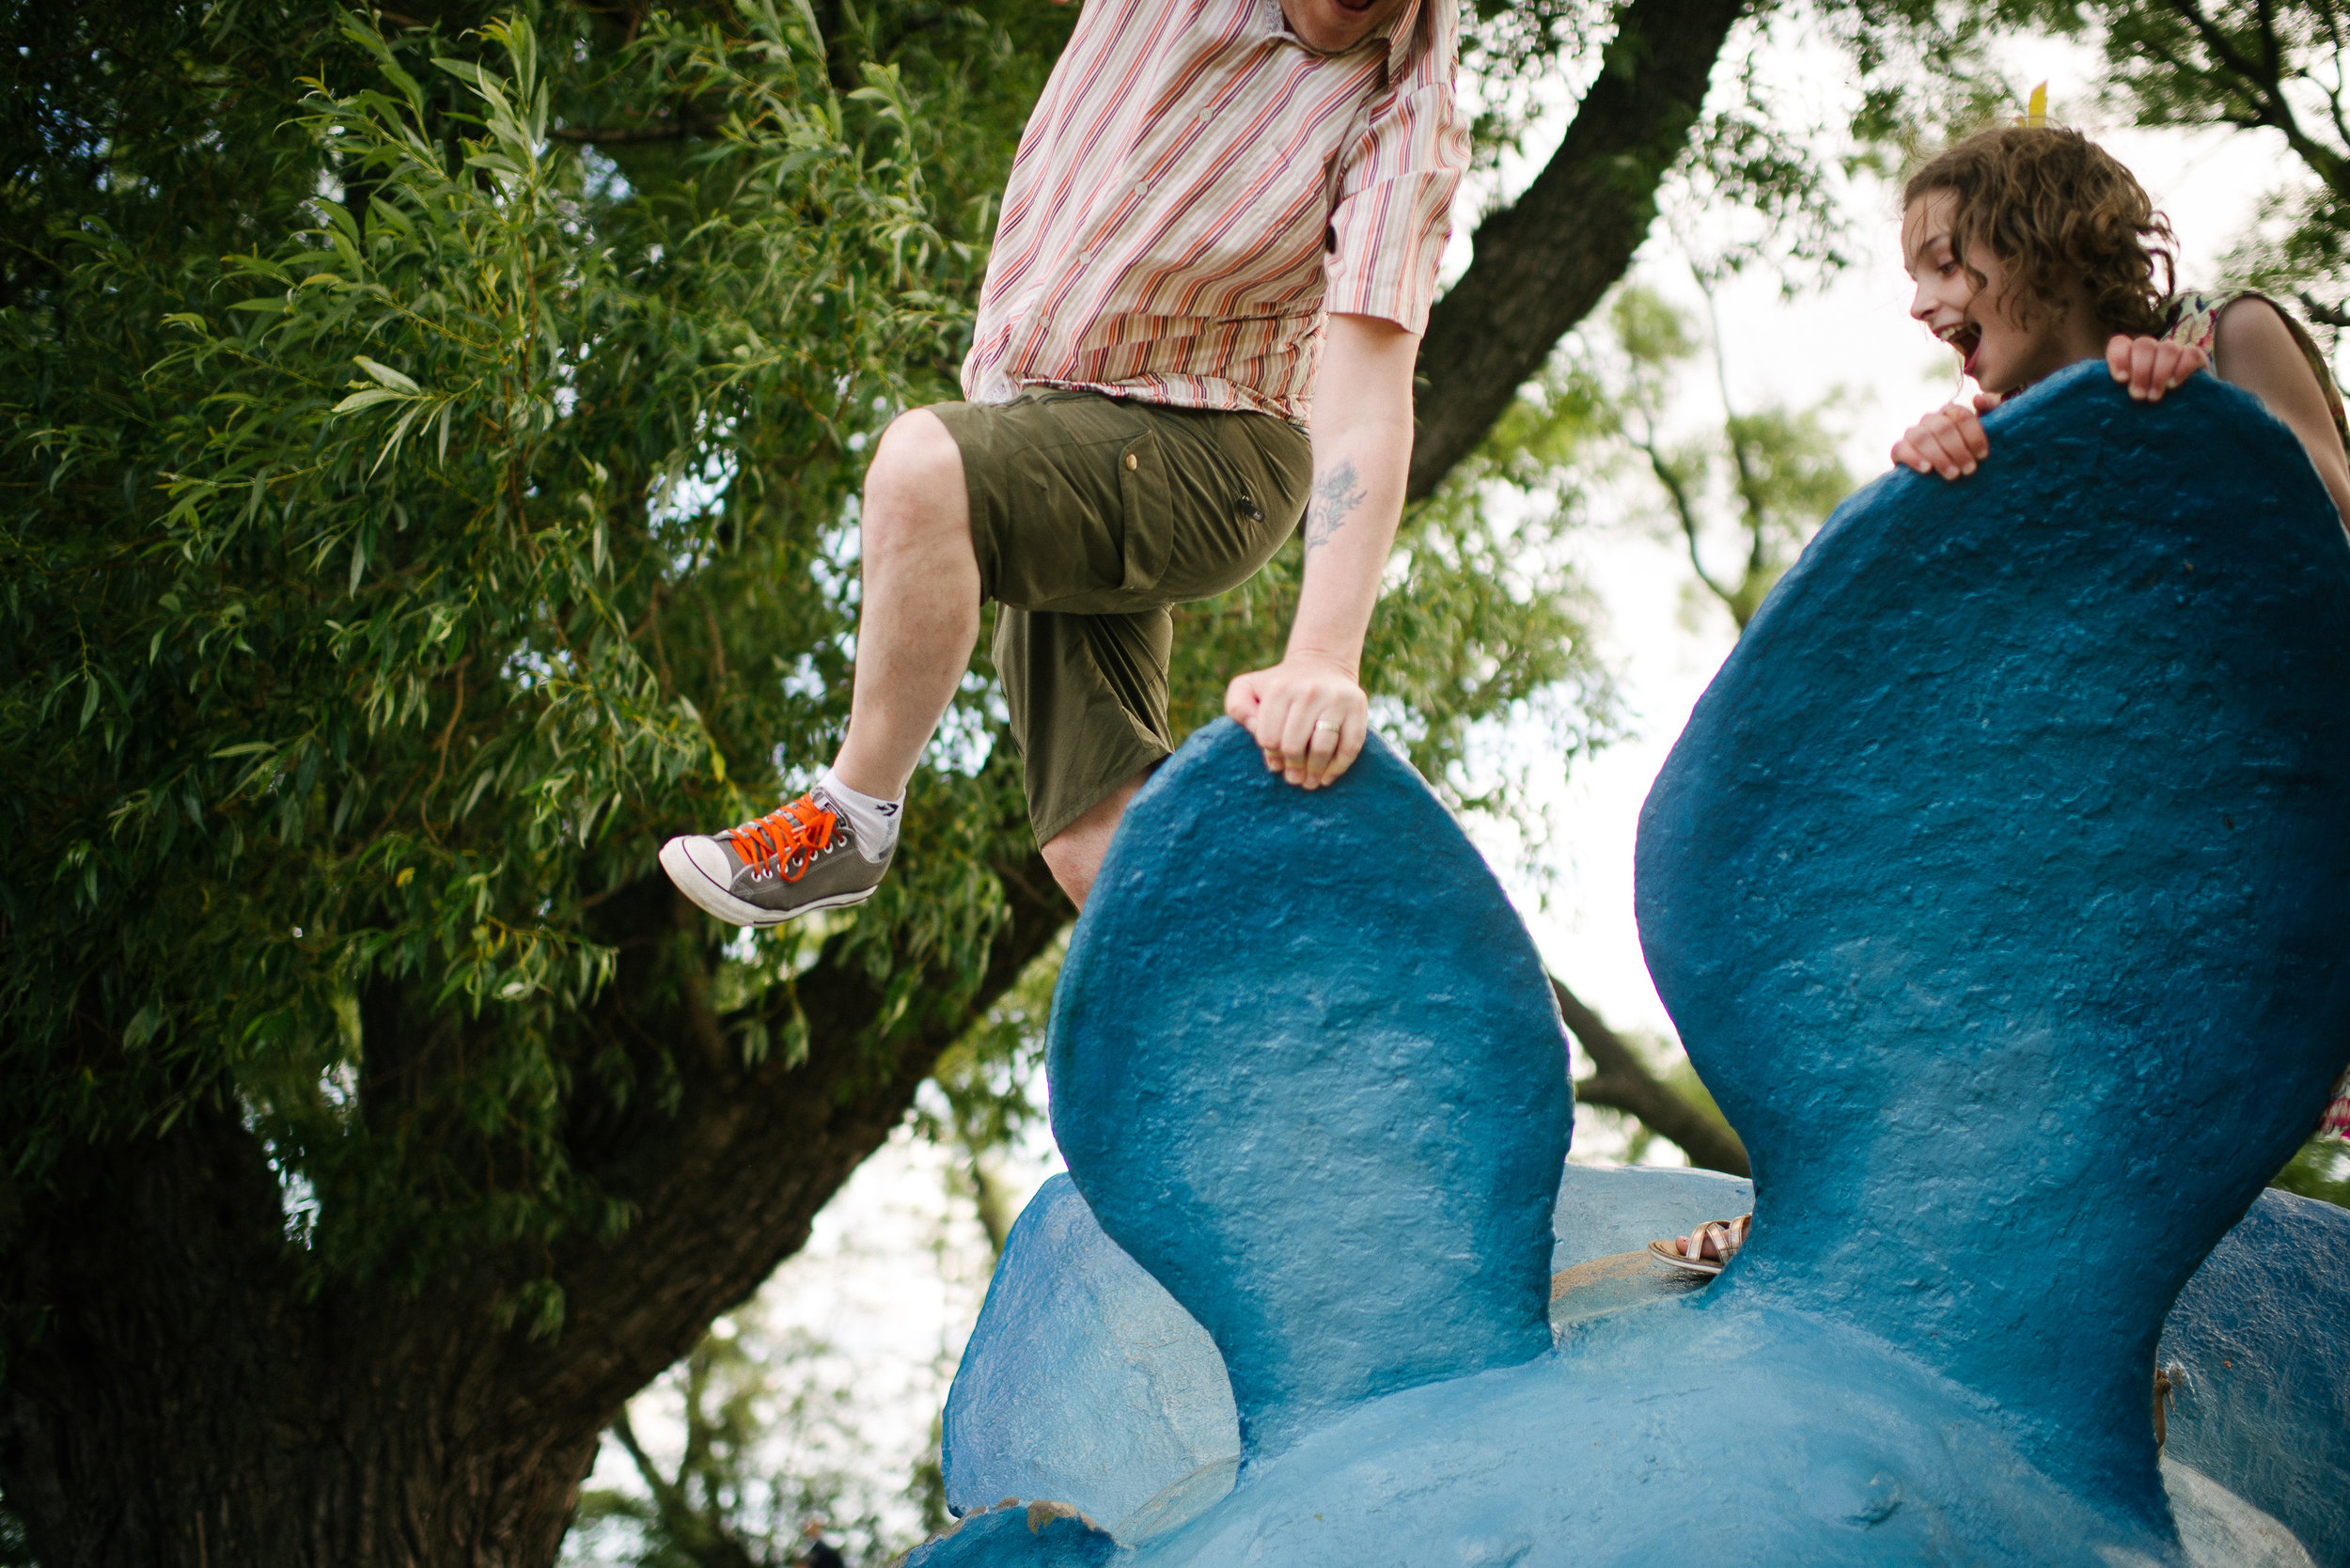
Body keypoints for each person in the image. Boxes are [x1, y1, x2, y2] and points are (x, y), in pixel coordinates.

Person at [1655, 122, 2350, 1277]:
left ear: (2045, 239)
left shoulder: (2226, 336)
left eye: (1943, 264)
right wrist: (1944, 490)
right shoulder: (2009, 444)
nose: (1923, 304)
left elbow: (2318, 528)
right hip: (2169, 844)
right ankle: (1838, 1217)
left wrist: (2195, 433)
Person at [659, 0, 1469, 924]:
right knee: (1093, 838)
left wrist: (1324, 657)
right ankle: (1293, 1008)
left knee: (926, 468)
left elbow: (1366, 402)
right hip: (1054, 423)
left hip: (1220, 452)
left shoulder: (1407, 119)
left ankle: (848, 817)